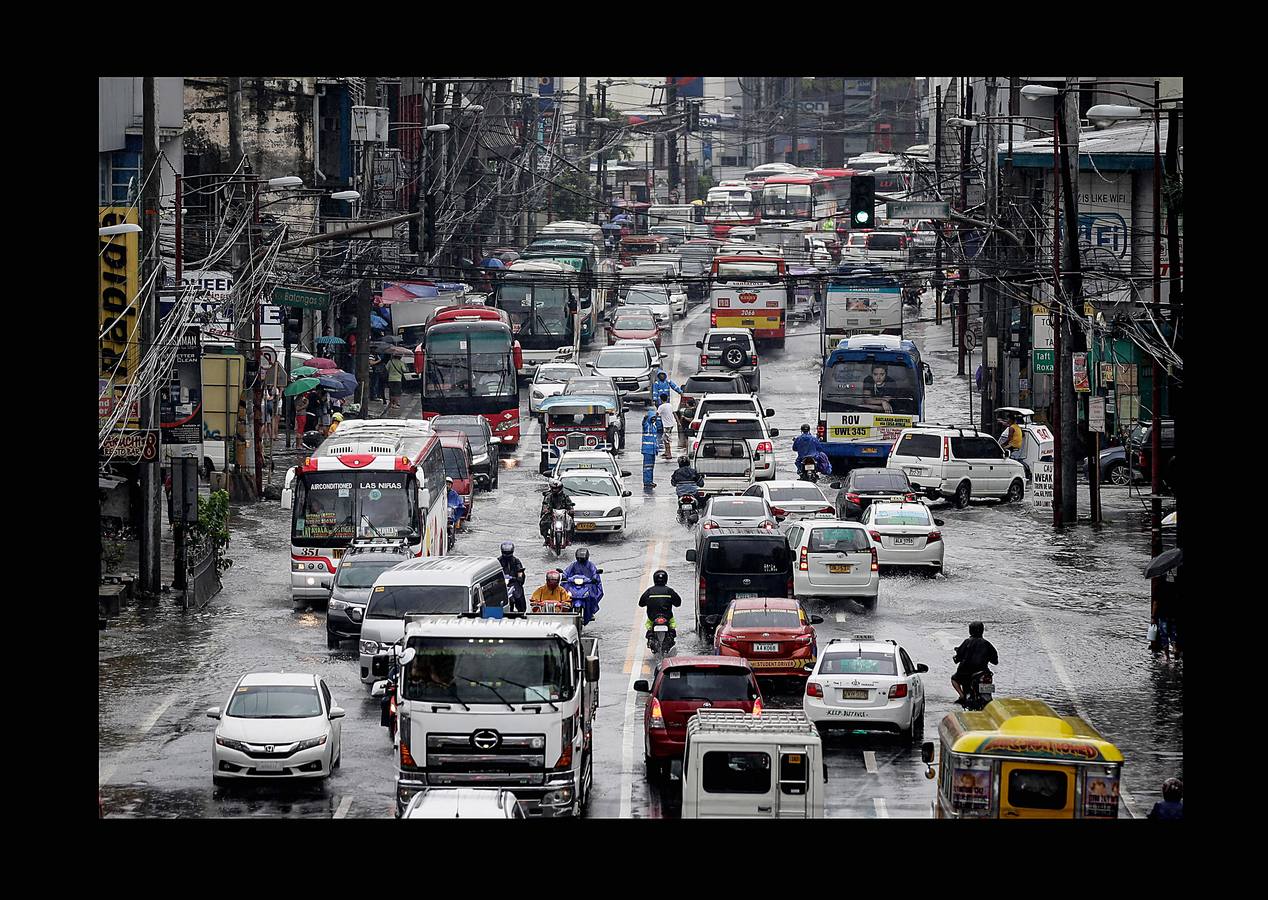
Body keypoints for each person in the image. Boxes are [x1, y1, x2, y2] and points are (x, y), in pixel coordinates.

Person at [951, 622, 999, 705]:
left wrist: (956, 657)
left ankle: (962, 696)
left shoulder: (967, 642)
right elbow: (995, 661)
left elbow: (958, 657)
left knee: (954, 679)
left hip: (965, 672)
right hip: (983, 672)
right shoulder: (987, 644)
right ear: (982, 631)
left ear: (970, 631)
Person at [639, 569, 682, 640]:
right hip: (668, 617)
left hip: (652, 617)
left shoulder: (649, 591)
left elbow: (641, 604)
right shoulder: (669, 591)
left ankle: (650, 635)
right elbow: (678, 603)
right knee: (672, 626)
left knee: (649, 626)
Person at [539, 477, 575, 546]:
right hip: (551, 515)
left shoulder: (565, 497)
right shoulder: (549, 497)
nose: (555, 490)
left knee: (571, 523)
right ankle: (546, 539)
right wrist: (546, 509)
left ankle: (569, 539)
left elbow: (569, 504)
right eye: (553, 488)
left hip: (563, 515)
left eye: (556, 488)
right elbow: (546, 504)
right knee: (543, 523)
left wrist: (570, 509)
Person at [499, 541, 526, 612]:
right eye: (505, 552)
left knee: (518, 596)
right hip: (501, 583)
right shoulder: (498, 561)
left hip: (513, 582)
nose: (507, 555)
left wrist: (519, 577)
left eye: (508, 553)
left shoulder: (516, 561)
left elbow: (520, 571)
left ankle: (521, 611)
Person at [641, 403, 662, 488]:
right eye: (652, 418)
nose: (654, 419)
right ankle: (647, 482)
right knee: (647, 467)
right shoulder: (647, 425)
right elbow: (644, 423)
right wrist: (645, 418)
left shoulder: (654, 427)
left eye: (654, 418)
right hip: (647, 450)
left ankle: (650, 481)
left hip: (652, 450)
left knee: (651, 467)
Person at [657, 391, 676, 459]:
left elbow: (656, 414)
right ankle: (666, 452)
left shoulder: (661, 407)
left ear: (661, 399)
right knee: (665, 438)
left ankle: (669, 454)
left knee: (666, 439)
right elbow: (674, 413)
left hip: (666, 425)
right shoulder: (670, 405)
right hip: (671, 424)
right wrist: (678, 422)